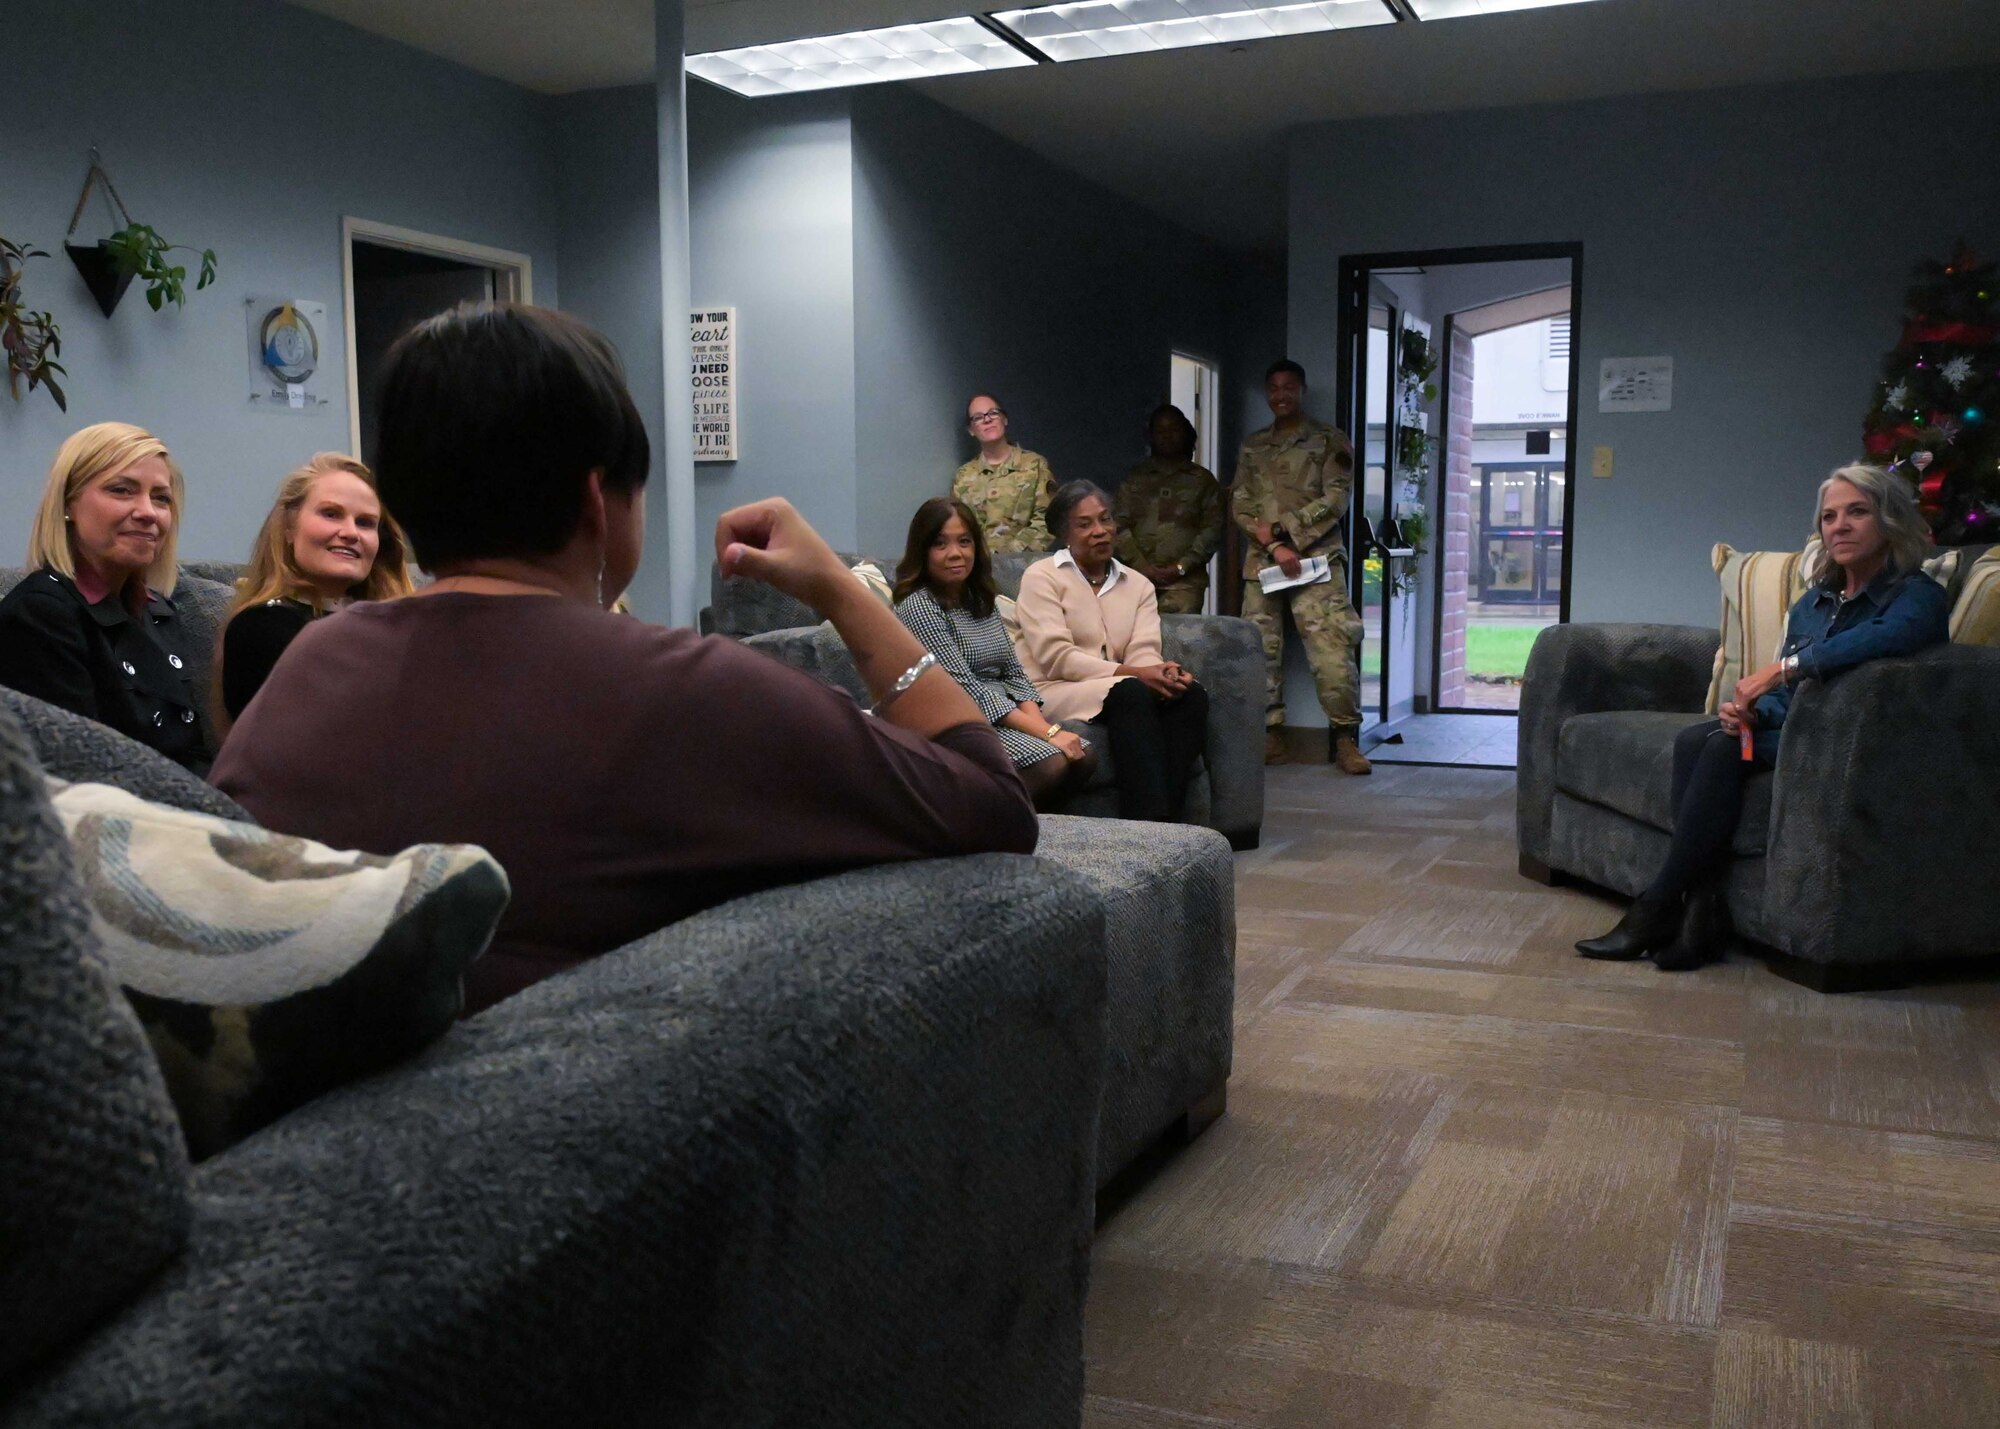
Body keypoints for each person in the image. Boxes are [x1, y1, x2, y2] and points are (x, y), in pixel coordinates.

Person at [214, 302, 1036, 1015]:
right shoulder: (688, 689)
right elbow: (993, 801)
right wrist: (839, 588)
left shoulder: (309, 663)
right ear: (596, 502)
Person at [1576, 463, 1949, 971]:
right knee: (1701, 739)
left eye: (1857, 512)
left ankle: (1657, 905)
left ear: (1889, 520)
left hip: (1851, 749)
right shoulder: (1814, 603)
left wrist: (1783, 669)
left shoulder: (1916, 596)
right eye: (1829, 516)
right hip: (1795, 732)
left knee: (1718, 748)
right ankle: (1699, 913)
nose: (1838, 526)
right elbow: (1783, 703)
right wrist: (1748, 713)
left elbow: (1882, 640)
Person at [0, 422, 207, 771]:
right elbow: (79, 771)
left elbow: (191, 748)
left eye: (161, 498)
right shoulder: (39, 615)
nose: (147, 512)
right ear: (68, 504)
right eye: (122, 490)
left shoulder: (159, 609)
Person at [1016, 480, 1209, 822]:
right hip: (1052, 689)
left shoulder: (1138, 585)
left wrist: (1162, 673)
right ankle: (1146, 822)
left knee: (1189, 695)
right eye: (1085, 524)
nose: (1100, 531)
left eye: (1105, 520)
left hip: (1113, 686)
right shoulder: (1042, 577)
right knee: (1130, 691)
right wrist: (1137, 674)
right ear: (1065, 534)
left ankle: (1171, 826)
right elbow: (1057, 658)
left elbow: (1144, 651)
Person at [893, 498, 1097, 811]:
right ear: (923, 551)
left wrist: (1041, 728)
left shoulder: (979, 597)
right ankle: (980, 828)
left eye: (964, 541)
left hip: (1000, 717)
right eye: (940, 544)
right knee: (1051, 764)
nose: (955, 554)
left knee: (1083, 756)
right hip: (953, 723)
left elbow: (1013, 671)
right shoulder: (919, 606)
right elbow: (965, 690)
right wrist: (1048, 733)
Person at [1231, 359, 1371, 775]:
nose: (1280, 395)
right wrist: (1274, 544)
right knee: (1258, 651)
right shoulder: (1253, 445)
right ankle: (1270, 736)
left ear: (1302, 390)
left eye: (1288, 386)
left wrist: (1286, 529)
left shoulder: (1330, 440)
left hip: (1318, 562)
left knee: (1332, 650)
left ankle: (1345, 740)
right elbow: (1240, 503)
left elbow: (1336, 499)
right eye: (1273, 388)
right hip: (1264, 563)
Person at [216, 453, 414, 726]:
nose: (351, 532)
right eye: (331, 514)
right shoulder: (258, 629)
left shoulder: (401, 626)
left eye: (365, 522)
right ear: (288, 527)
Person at [1114, 404, 1224, 616]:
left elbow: (1212, 530)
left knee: (1180, 645)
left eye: (1174, 429)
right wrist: (1141, 565)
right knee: (1134, 643)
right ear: (1151, 436)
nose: (1168, 436)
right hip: (1136, 580)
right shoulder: (1134, 479)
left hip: (1185, 584)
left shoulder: (1202, 481)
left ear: (1185, 433)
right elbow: (1119, 525)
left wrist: (1182, 566)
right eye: (1161, 431)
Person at [952, 393, 1057, 555]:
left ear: (1005, 419)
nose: (987, 420)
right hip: (978, 568)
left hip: (1026, 565)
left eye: (993, 413)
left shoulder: (1034, 465)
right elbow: (958, 529)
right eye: (978, 417)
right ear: (971, 430)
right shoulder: (963, 476)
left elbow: (1047, 521)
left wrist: (1009, 555)